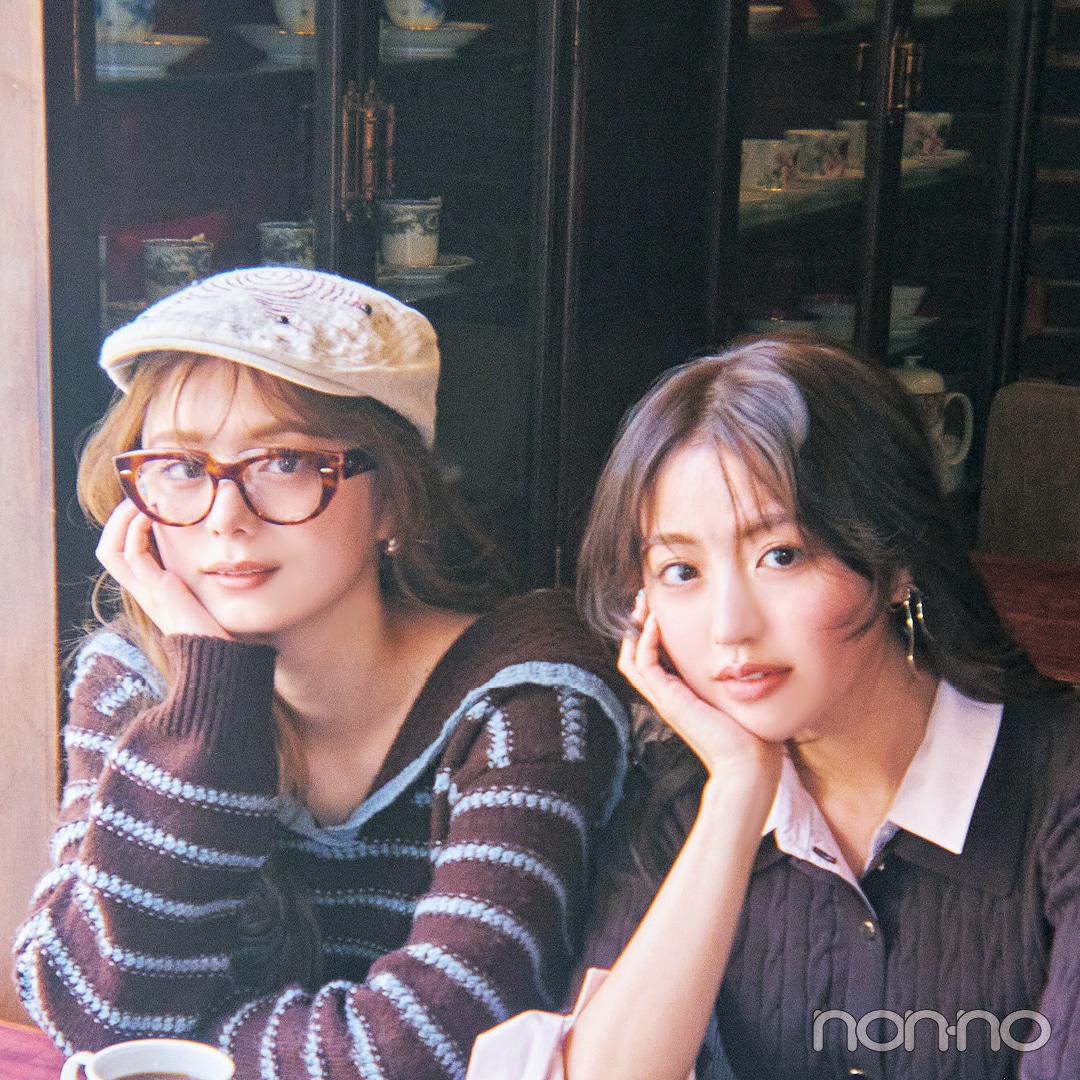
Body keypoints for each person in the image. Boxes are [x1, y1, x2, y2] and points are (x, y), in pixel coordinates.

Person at [14, 267, 631, 1080]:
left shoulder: (527, 700)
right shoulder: (132, 679)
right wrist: (212, 698)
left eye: (284, 461)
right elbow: (90, 1010)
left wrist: (182, 1048)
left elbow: (432, 1045)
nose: (226, 517)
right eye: (182, 467)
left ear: (394, 500)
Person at [465, 336, 1080, 1080]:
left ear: (896, 560)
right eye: (681, 570)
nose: (730, 627)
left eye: (781, 555)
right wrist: (737, 791)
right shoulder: (674, 802)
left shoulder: (1058, 785)